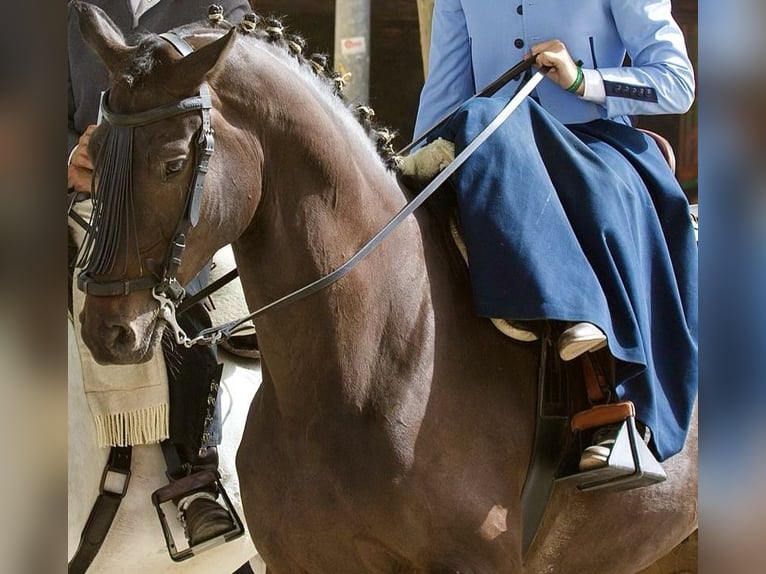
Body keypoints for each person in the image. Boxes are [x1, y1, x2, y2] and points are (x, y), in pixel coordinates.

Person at [410, 0, 698, 468]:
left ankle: (619, 407)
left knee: (485, 120)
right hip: (497, 156)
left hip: (595, 145)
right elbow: (444, 98)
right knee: (477, 121)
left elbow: (677, 83)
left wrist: (584, 81)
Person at [67, 0, 250, 545]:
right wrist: (67, 162)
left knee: (182, 286)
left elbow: (238, 125)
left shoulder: (222, 8)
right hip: (82, 198)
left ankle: (197, 476)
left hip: (174, 207)